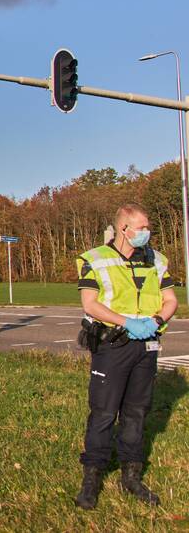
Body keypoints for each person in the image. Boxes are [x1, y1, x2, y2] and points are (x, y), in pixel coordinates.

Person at [74, 202, 177, 509]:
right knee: (104, 413)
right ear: (124, 228)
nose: (147, 233)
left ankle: (131, 477)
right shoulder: (96, 259)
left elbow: (170, 299)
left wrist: (155, 322)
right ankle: (91, 479)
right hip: (112, 344)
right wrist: (127, 322)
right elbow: (90, 304)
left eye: (148, 228)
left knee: (137, 411)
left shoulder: (156, 260)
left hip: (145, 345)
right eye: (142, 227)